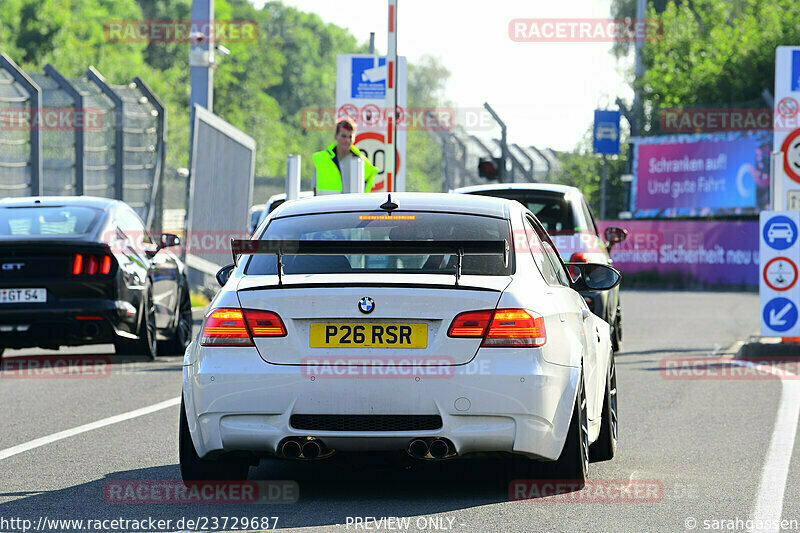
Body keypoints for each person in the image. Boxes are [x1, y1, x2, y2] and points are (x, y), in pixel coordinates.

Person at [312, 117, 379, 194]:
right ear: (336, 136)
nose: (347, 140)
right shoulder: (321, 159)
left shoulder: (361, 162)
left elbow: (368, 187)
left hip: (350, 205)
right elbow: (314, 188)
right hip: (325, 205)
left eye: (350, 137)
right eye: (344, 136)